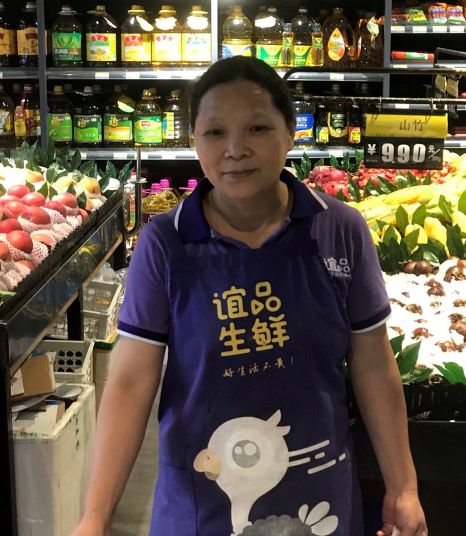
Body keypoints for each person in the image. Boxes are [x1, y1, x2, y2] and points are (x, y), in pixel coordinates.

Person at [71, 56, 427, 536]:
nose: (235, 149)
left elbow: (374, 364)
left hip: (317, 500)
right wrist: (95, 517)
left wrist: (403, 487)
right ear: (193, 140)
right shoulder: (165, 244)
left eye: (257, 128)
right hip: (202, 504)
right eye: (215, 132)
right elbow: (131, 383)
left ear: (290, 133)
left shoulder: (340, 230)